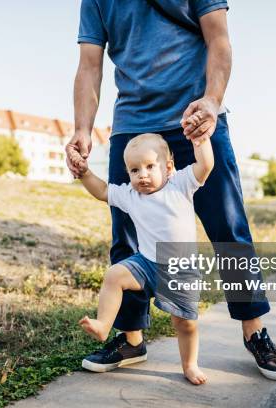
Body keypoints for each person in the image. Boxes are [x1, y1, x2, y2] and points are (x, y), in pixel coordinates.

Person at [66, 0, 276, 381]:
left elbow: (218, 39)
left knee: (229, 229)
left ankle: (256, 333)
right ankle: (131, 338)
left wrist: (212, 101)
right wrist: (82, 128)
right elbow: (90, 64)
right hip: (133, 127)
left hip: (196, 118)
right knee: (126, 238)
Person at [71, 129, 213, 384]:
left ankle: (190, 365)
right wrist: (84, 173)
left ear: (168, 167)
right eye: (135, 170)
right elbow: (103, 191)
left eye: (149, 166)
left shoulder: (180, 184)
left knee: (185, 324)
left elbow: (206, 164)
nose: (142, 175)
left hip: (180, 270)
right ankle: (104, 325)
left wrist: (200, 140)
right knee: (115, 274)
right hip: (146, 264)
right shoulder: (131, 195)